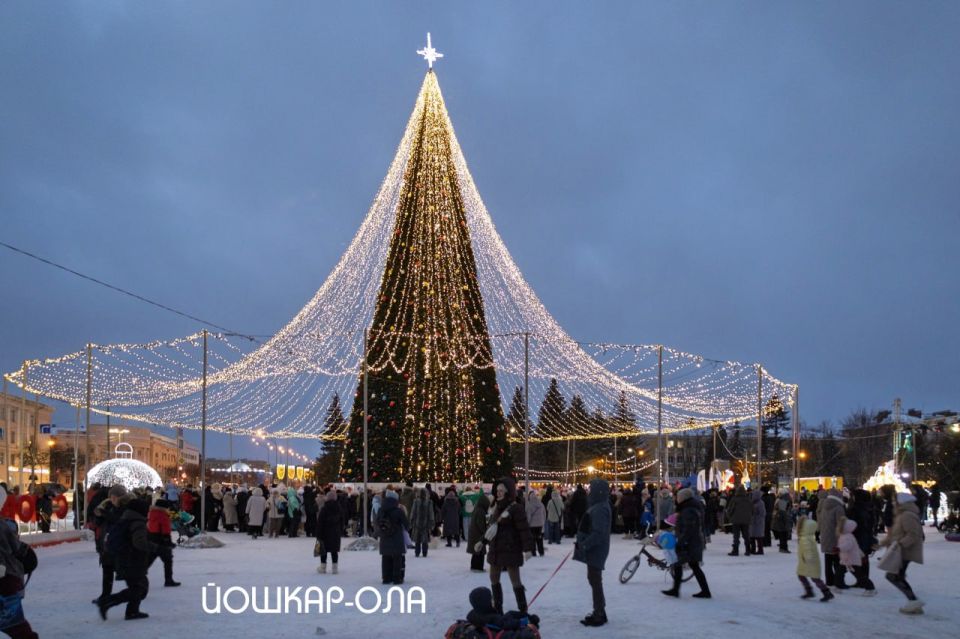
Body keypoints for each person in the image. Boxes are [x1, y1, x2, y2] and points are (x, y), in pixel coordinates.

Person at [480, 478, 534, 616]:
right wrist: (482, 542)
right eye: (497, 490)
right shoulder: (495, 507)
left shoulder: (516, 508)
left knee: (515, 581)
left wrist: (528, 548)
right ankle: (498, 609)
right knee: (493, 579)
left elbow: (524, 529)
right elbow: (491, 529)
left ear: (508, 492)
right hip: (496, 549)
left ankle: (523, 609)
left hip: (511, 549)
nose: (498, 493)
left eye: (501, 490)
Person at [99, 497, 154, 620]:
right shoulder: (138, 522)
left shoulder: (125, 519)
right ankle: (107, 602)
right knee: (139, 588)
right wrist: (155, 547)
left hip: (124, 559)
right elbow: (139, 543)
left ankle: (132, 611)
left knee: (139, 586)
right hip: (131, 560)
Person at [0, 485, 39, 639]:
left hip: (6, 583)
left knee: (15, 626)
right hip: (8, 581)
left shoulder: (2, 527)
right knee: (15, 626)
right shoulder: (3, 526)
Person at [574, 479, 612, 626]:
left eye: (591, 489)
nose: (589, 491)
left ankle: (599, 613)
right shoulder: (598, 505)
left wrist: (584, 544)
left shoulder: (600, 508)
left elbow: (598, 533)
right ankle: (600, 610)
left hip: (596, 549)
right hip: (594, 549)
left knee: (595, 580)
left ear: (598, 491)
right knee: (594, 579)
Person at [879, 492, 925, 614]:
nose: (893, 503)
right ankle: (914, 602)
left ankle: (913, 601)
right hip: (901, 551)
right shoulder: (902, 515)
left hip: (905, 552)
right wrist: (881, 544)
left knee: (893, 576)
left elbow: (913, 534)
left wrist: (900, 544)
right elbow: (895, 535)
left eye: (895, 501)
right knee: (897, 576)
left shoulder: (907, 515)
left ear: (901, 502)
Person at [662, 487, 711, 600]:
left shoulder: (688, 510)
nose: (677, 499)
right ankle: (703, 590)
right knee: (690, 566)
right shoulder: (689, 508)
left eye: (678, 497)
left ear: (683, 498)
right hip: (692, 541)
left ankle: (677, 590)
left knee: (681, 564)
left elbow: (688, 529)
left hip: (690, 542)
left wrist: (681, 542)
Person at [796, 516, 833, 602]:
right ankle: (809, 591)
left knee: (814, 578)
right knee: (802, 575)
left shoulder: (805, 538)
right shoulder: (809, 537)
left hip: (808, 562)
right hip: (806, 562)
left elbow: (808, 550)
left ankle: (826, 592)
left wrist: (808, 559)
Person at [847, 489, 877, 595]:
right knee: (864, 559)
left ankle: (864, 581)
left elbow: (852, 523)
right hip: (866, 536)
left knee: (854, 560)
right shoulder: (869, 507)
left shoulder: (856, 509)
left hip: (858, 536)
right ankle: (863, 580)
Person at [378, 490, 409, 585]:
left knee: (385, 557)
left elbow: (377, 522)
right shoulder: (398, 511)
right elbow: (406, 524)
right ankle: (396, 578)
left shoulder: (381, 510)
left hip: (384, 536)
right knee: (397, 557)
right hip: (396, 537)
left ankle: (386, 577)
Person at [146, 499, 180, 587]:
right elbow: (165, 529)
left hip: (152, 538)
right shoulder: (162, 515)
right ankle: (169, 580)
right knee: (168, 560)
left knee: (149, 559)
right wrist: (168, 542)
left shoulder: (151, 513)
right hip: (162, 540)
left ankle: (138, 575)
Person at [819, 488, 847, 589]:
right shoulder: (838, 508)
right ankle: (839, 582)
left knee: (828, 560)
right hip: (836, 537)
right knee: (838, 561)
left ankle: (829, 580)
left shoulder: (824, 506)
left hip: (825, 536)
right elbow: (841, 524)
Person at [316, 490, 343, 574]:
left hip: (325, 532)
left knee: (323, 550)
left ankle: (323, 567)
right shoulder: (339, 508)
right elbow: (342, 520)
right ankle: (335, 568)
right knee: (334, 550)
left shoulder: (324, 508)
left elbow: (320, 522)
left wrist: (318, 533)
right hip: (335, 532)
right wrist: (340, 530)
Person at [467, 490, 491, 572]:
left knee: (476, 552)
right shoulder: (481, 511)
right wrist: (485, 532)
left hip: (474, 534)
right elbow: (480, 524)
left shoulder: (477, 509)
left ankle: (474, 566)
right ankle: (478, 567)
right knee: (480, 551)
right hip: (478, 535)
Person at [725, 485, 752, 556]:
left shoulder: (734, 499)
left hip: (736, 520)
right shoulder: (748, 499)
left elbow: (730, 509)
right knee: (746, 535)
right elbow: (752, 509)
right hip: (746, 520)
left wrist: (729, 517)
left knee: (736, 536)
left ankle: (735, 550)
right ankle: (748, 550)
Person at [410, 488, 435, 558]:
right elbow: (431, 513)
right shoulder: (429, 502)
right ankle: (424, 552)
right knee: (425, 539)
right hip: (426, 523)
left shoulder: (416, 501)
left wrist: (412, 520)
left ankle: (417, 552)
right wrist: (432, 522)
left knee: (417, 539)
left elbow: (413, 512)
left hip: (417, 522)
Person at [525, 489, 545, 557]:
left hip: (532, 525)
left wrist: (527, 523)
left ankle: (533, 552)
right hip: (540, 524)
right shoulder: (541, 504)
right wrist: (542, 521)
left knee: (532, 539)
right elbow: (544, 513)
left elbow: (528, 516)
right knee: (539, 538)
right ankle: (541, 552)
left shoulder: (529, 505)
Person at [771, 489, 792, 553]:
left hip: (781, 519)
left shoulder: (781, 500)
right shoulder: (785, 500)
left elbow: (781, 511)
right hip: (784, 519)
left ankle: (782, 547)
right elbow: (784, 511)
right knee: (784, 534)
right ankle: (784, 548)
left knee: (782, 534)